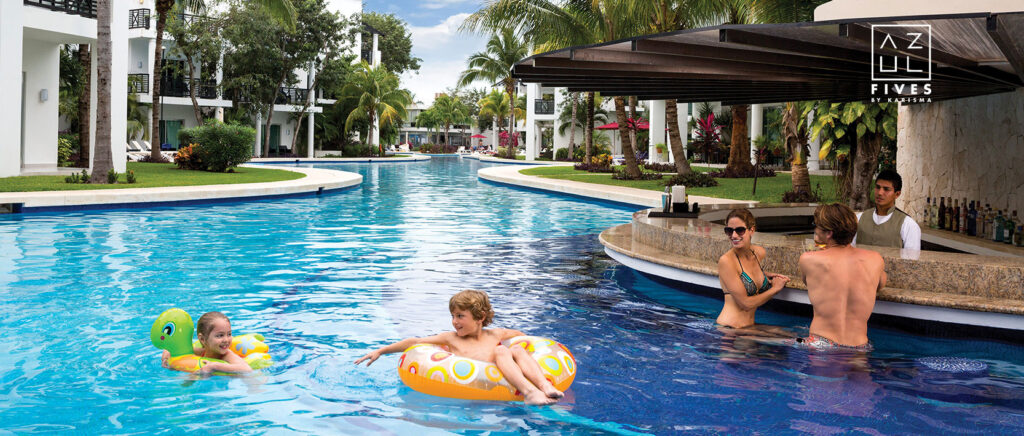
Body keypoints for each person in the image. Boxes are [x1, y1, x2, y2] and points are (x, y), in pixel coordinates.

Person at [354, 290, 564, 405]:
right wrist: (380, 351)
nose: (454, 321)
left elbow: (523, 339)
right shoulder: (451, 339)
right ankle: (529, 392)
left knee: (513, 350)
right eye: (453, 316)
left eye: (460, 316)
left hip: (507, 386)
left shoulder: (496, 334)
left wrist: (534, 348)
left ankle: (545, 387)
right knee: (502, 351)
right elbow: (414, 342)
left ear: (480, 317)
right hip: (476, 392)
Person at [798, 203, 887, 350]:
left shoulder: (809, 259)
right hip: (859, 347)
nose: (815, 230)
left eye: (817, 226)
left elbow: (809, 282)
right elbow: (880, 284)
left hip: (822, 344)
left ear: (829, 234)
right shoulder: (875, 259)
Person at [716, 208, 791, 328]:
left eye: (739, 230)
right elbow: (745, 304)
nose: (734, 235)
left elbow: (746, 274)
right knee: (787, 340)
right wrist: (775, 289)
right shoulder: (726, 261)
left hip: (748, 327)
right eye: (729, 231)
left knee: (789, 337)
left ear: (752, 230)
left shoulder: (759, 253)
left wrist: (765, 275)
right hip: (731, 330)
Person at [161, 311, 252, 374]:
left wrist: (214, 366)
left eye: (229, 334)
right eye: (220, 335)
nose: (226, 340)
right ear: (203, 339)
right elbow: (178, 348)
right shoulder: (201, 352)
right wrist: (167, 354)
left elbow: (246, 369)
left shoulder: (227, 355)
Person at [853, 169, 921, 250]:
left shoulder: (908, 225)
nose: (880, 193)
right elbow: (850, 250)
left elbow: (911, 260)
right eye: (878, 187)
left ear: (897, 194)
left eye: (886, 189)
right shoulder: (859, 219)